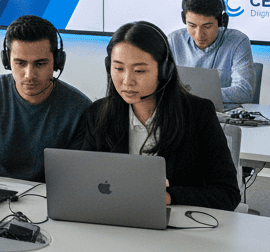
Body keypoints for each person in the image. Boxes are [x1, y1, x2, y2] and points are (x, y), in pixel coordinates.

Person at [70, 21, 240, 211]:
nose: (127, 81)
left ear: (165, 71)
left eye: (139, 71)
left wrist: (169, 196)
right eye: (118, 69)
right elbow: (84, 182)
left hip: (177, 230)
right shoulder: (99, 113)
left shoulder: (198, 114)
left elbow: (228, 194)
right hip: (115, 220)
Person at [0, 15, 90, 184]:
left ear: (58, 62)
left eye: (40, 64)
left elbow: (79, 175)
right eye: (20, 63)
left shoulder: (80, 109)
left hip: (48, 196)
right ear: (7, 62)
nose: (29, 75)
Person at [167, 0, 255, 105]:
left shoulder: (238, 42)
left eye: (207, 26)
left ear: (221, 21)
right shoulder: (174, 40)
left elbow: (243, 92)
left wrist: (191, 95)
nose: (199, 35)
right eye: (192, 26)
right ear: (184, 19)